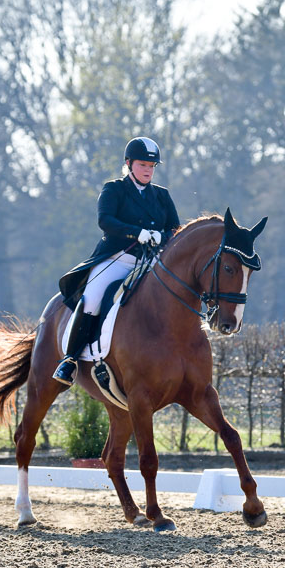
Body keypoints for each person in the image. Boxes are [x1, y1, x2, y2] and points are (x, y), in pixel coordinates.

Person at [53, 136, 180, 386]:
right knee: (92, 299)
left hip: (150, 264)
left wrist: (162, 236)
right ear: (129, 163)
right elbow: (105, 220)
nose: (148, 170)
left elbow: (175, 229)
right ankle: (70, 360)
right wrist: (137, 233)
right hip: (117, 260)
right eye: (143, 165)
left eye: (152, 166)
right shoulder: (114, 189)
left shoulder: (162, 196)